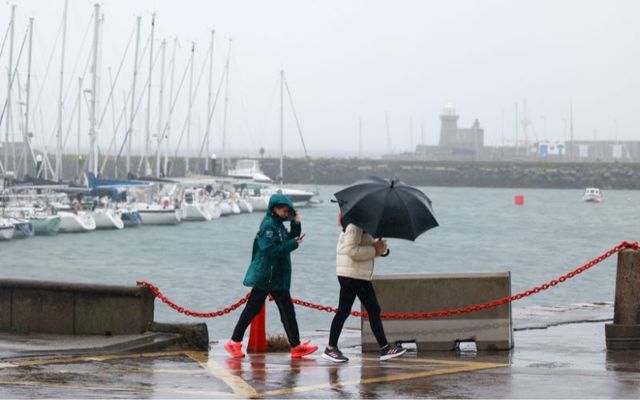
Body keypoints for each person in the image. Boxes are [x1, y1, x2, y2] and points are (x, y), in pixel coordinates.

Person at [225, 194, 318, 359]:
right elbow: (271, 251)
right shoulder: (269, 226)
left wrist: (296, 223)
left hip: (277, 277)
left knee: (287, 312)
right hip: (267, 277)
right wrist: (293, 244)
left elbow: (288, 239)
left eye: (288, 209)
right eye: (284, 209)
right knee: (252, 310)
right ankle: (234, 342)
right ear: (274, 208)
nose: (286, 211)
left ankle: (296, 347)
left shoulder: (278, 224)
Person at [321, 221, 407, 363]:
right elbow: (351, 250)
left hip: (359, 275)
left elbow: (362, 248)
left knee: (374, 309)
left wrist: (379, 249)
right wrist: (374, 250)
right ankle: (330, 348)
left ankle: (385, 348)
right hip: (350, 274)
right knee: (344, 311)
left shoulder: (363, 226)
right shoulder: (354, 226)